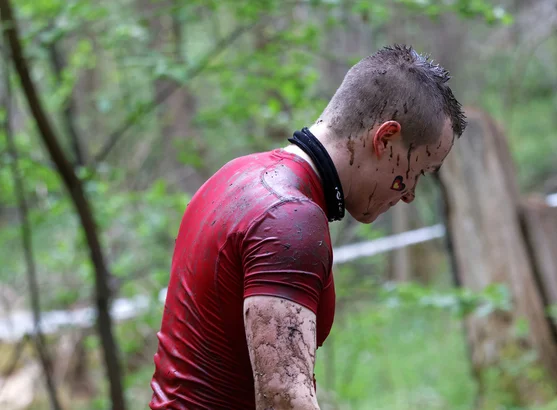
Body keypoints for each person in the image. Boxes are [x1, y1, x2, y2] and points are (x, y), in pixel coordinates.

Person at [149, 44, 467, 410]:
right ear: (384, 138)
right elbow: (284, 400)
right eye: (417, 171)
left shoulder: (236, 175)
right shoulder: (290, 219)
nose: (410, 193)